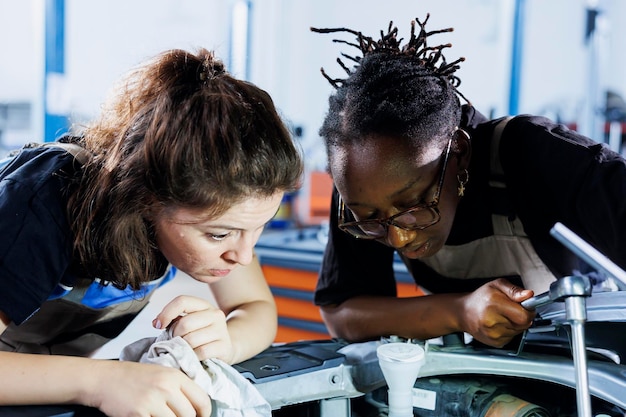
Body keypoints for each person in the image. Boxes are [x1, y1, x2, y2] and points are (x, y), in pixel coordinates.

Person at [0, 48, 303, 416]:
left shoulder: (228, 218)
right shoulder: (42, 207)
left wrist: (226, 341)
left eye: (259, 227)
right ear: (146, 199)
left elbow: (254, 307)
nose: (242, 255)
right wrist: (102, 382)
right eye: (219, 235)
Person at [311, 15, 626, 349]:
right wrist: (459, 312)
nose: (399, 238)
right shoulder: (360, 186)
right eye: (371, 218)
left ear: (458, 152)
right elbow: (342, 312)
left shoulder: (533, 154)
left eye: (414, 204)